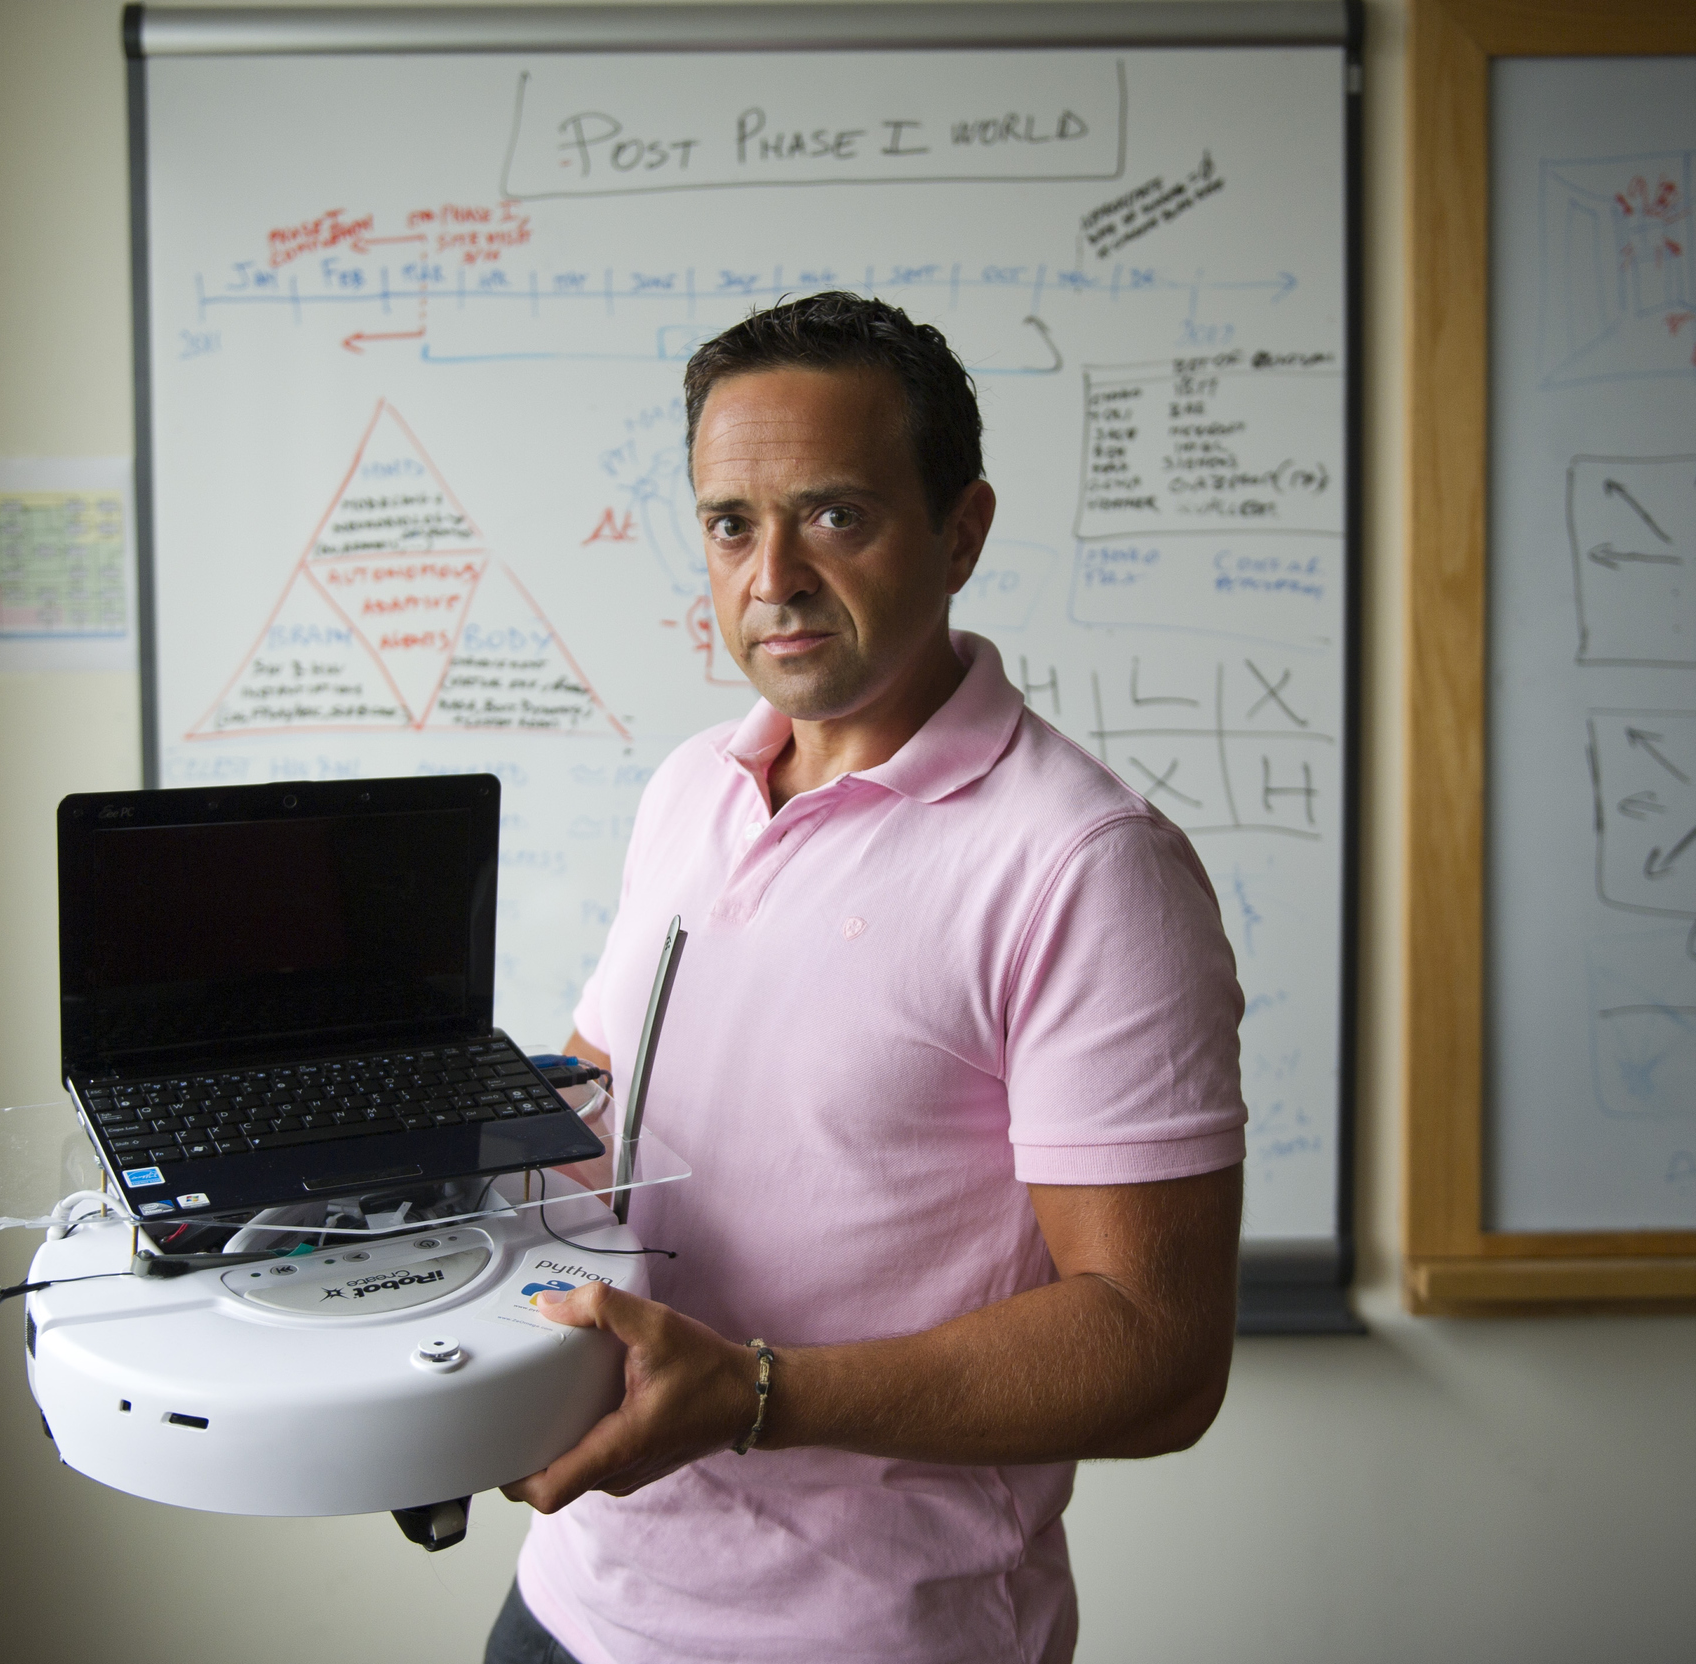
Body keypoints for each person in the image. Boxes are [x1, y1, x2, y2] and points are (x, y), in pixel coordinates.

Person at [486, 292, 1246, 1664]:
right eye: (730, 523)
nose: (769, 573)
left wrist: (754, 1394)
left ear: (961, 531)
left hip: (864, 1637)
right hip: (573, 1601)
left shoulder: (1084, 867)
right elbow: (603, 1098)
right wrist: (414, 1177)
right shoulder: (691, 788)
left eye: (834, 514)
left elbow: (1158, 1356)